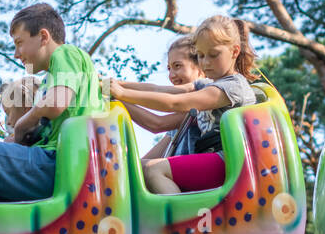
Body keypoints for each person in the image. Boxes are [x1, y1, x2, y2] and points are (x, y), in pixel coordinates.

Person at [107, 15, 259, 193]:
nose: (206, 62)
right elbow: (160, 90)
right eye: (201, 55)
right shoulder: (208, 85)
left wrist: (122, 94)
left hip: (227, 161)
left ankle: (182, 219)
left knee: (152, 169)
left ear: (234, 51)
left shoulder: (233, 86)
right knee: (141, 169)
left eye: (213, 54)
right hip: (211, 159)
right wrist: (117, 84)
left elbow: (176, 103)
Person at [0, 3, 106, 202]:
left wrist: (21, 125)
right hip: (57, 162)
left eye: (19, 42)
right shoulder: (49, 80)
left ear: (44, 37)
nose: (16, 53)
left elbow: (56, 103)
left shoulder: (66, 54)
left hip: (60, 163)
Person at [120, 35, 203, 164]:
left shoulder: (205, 98)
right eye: (169, 68)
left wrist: (118, 96)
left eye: (177, 66)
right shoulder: (178, 122)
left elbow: (157, 123)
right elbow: (146, 162)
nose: (171, 75)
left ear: (200, 66)